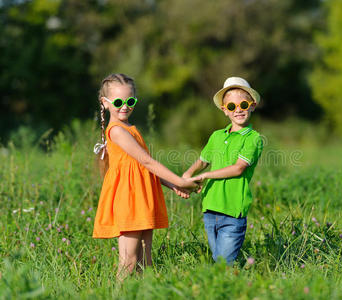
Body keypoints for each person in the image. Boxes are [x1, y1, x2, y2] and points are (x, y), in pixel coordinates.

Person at [92, 73, 198, 280]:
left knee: (144, 261)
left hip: (141, 198)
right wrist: (180, 180)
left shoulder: (130, 128)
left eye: (130, 101)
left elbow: (143, 168)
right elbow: (148, 162)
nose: (125, 106)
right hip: (129, 200)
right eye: (118, 102)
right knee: (129, 261)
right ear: (105, 103)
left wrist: (172, 185)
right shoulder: (117, 131)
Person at [181, 76, 264, 264]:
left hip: (233, 211)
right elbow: (203, 160)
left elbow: (238, 169)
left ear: (252, 105)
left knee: (223, 264)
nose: (239, 110)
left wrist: (206, 175)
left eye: (243, 105)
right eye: (232, 107)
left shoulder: (253, 138)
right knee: (218, 260)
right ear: (225, 110)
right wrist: (187, 175)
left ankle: (228, 290)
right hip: (210, 207)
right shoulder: (217, 136)